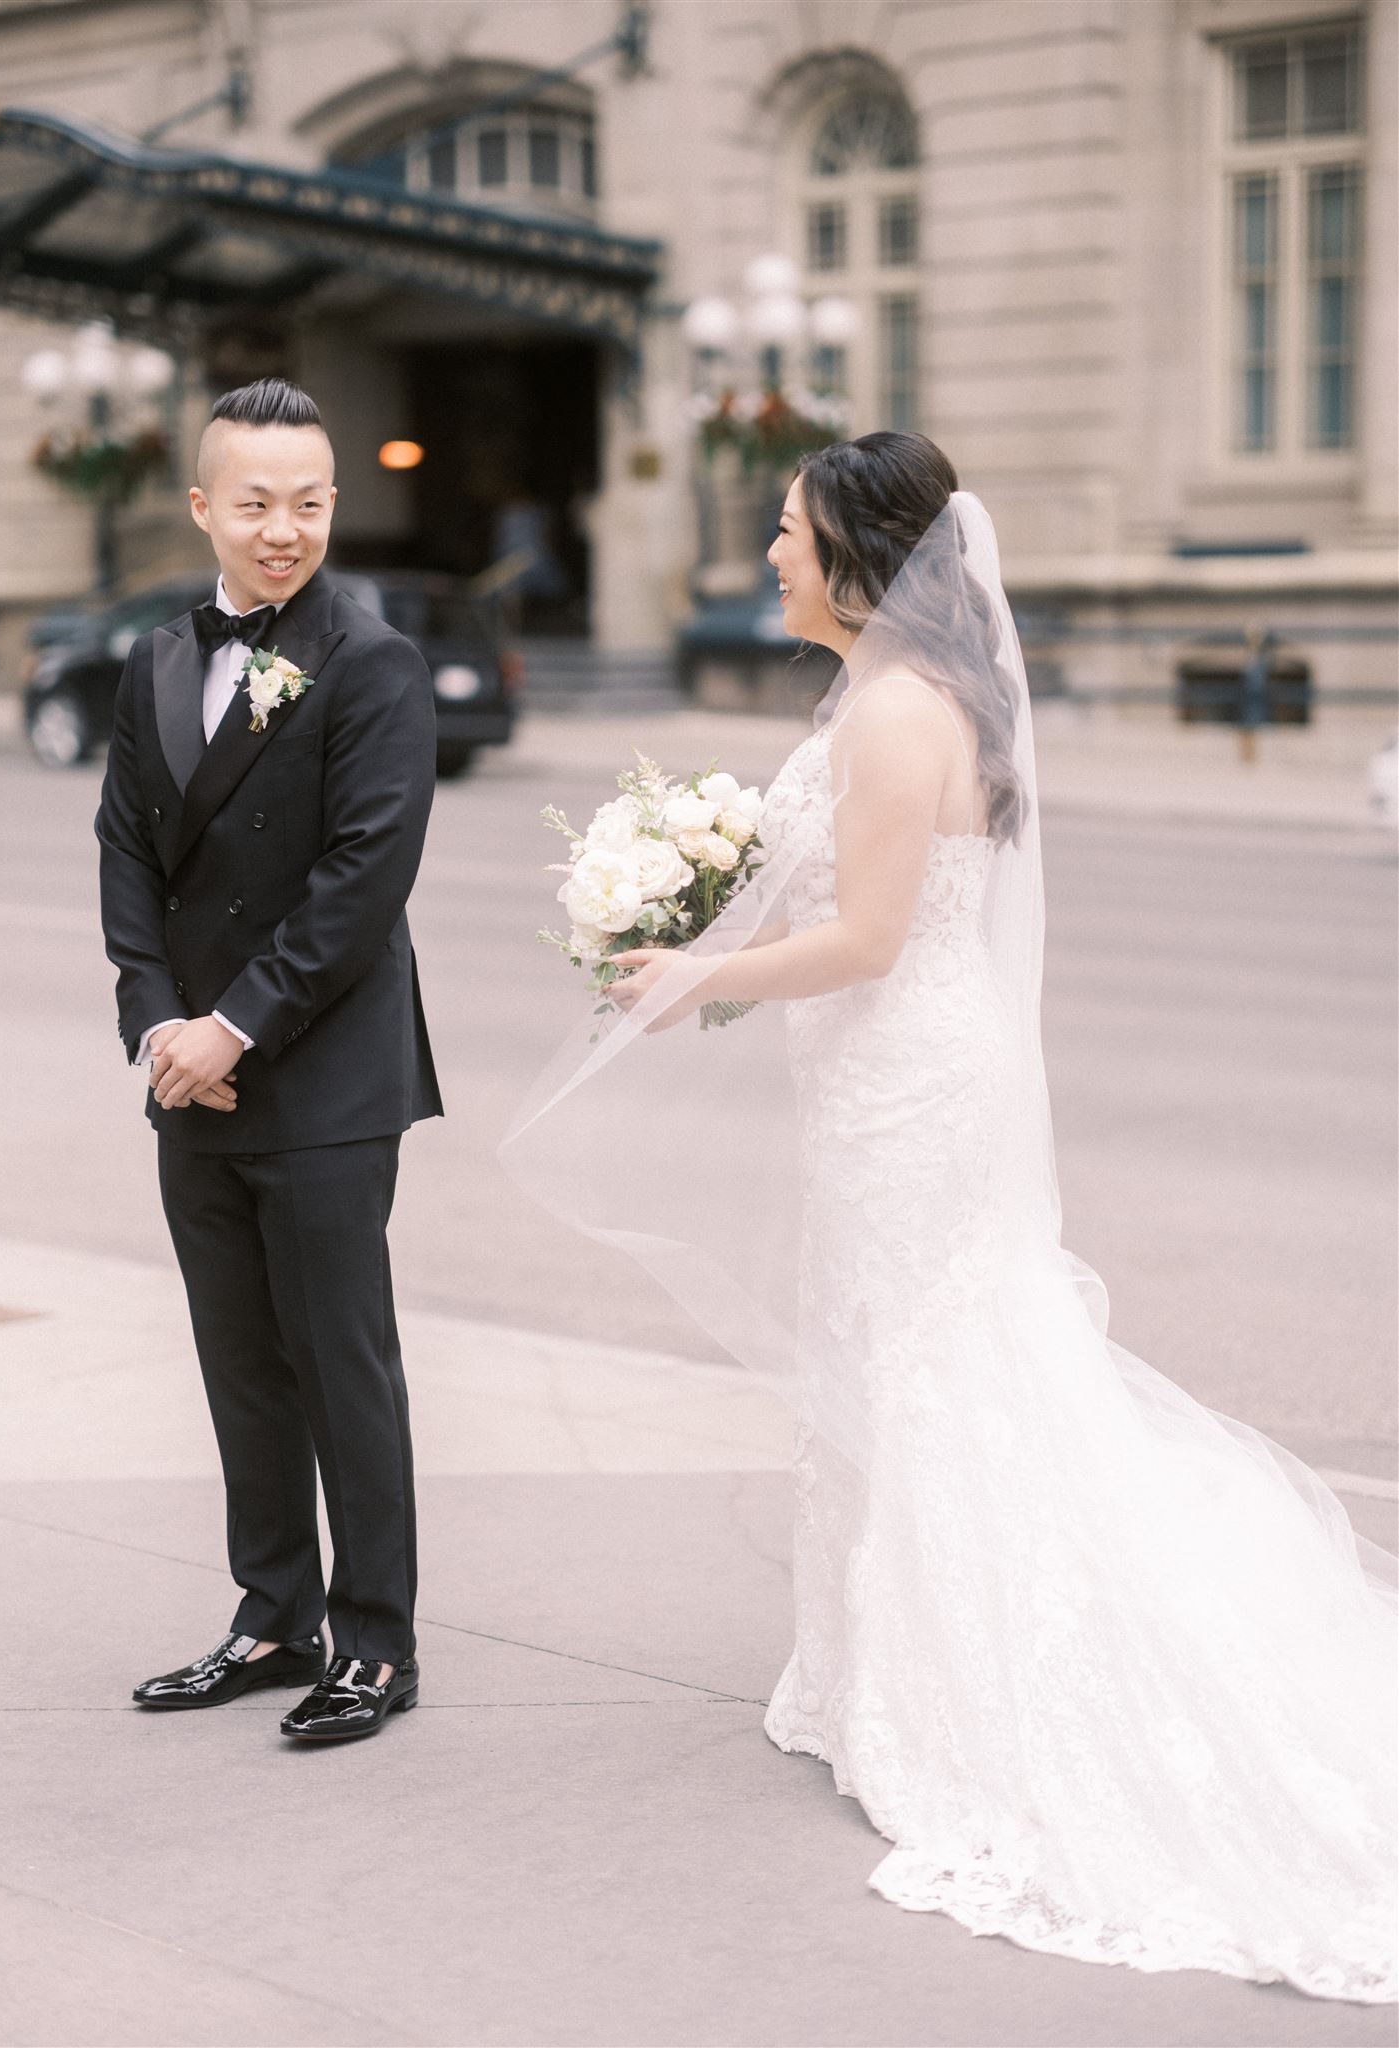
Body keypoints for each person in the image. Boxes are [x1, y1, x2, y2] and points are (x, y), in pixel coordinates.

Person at [502, 432, 1396, 1999]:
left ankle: (966, 1694)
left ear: (860, 553)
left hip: (908, 1086)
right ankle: (867, 1673)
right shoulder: (897, 699)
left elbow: (863, 939)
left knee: (939, 1364)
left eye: (785, 533)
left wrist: (695, 973)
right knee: (905, 1347)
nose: (766, 557)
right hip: (890, 1084)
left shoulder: (897, 713)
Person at [95, 376, 442, 1743]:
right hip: (190, 1071)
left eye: (309, 503)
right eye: (255, 503)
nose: (283, 528)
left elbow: (364, 877)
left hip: (324, 1076)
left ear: (332, 505)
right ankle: (270, 1616)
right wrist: (156, 1023)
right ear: (204, 508)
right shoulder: (154, 661)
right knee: (240, 1360)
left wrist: (232, 1026)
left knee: (338, 1357)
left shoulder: (373, 662)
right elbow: (127, 846)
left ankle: (374, 1642)